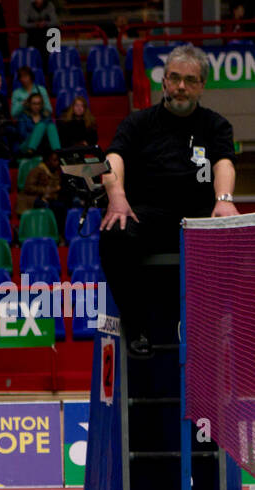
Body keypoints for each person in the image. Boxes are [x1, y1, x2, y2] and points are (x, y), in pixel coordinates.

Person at [100, 44, 239, 353]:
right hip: (149, 216)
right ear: (163, 81)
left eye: (190, 80)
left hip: (197, 218)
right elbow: (113, 159)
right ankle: (137, 328)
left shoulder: (215, 125)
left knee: (236, 237)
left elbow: (224, 163)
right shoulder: (138, 123)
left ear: (202, 86)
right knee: (113, 232)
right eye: (174, 78)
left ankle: (212, 329)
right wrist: (117, 196)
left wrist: (225, 198)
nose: (180, 86)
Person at [18, 148, 66, 228]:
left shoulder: (56, 172)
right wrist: (46, 191)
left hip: (48, 198)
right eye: (54, 160)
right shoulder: (37, 170)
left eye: (57, 160)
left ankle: (58, 233)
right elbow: (28, 188)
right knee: (45, 206)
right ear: (47, 161)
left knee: (60, 206)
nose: (57, 163)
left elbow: (56, 188)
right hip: (32, 198)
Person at [17, 90, 60, 156]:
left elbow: (52, 133)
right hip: (26, 145)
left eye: (38, 103)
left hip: (43, 145)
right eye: (34, 103)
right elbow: (22, 135)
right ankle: (30, 150)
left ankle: (57, 152)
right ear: (29, 104)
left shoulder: (45, 115)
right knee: (41, 125)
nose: (36, 106)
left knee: (51, 126)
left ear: (41, 104)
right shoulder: (23, 116)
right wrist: (37, 134)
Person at [23, 0, 58, 71]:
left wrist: (45, 23)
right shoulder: (29, 6)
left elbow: (55, 21)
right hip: (34, 39)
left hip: (48, 39)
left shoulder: (49, 5)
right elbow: (23, 23)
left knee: (48, 60)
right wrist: (35, 24)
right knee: (33, 60)